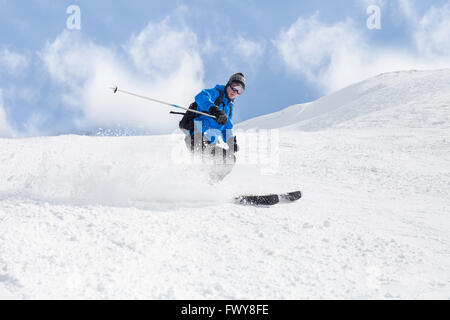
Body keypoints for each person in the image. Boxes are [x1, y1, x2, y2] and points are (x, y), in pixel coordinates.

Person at [180, 73, 246, 182]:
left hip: (209, 142)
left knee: (230, 159)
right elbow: (201, 96)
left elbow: (227, 127)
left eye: (240, 90)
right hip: (196, 137)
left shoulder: (229, 108)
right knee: (208, 159)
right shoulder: (217, 93)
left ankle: (211, 185)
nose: (236, 91)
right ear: (228, 85)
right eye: (235, 86)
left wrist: (230, 142)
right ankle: (206, 183)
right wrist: (213, 109)